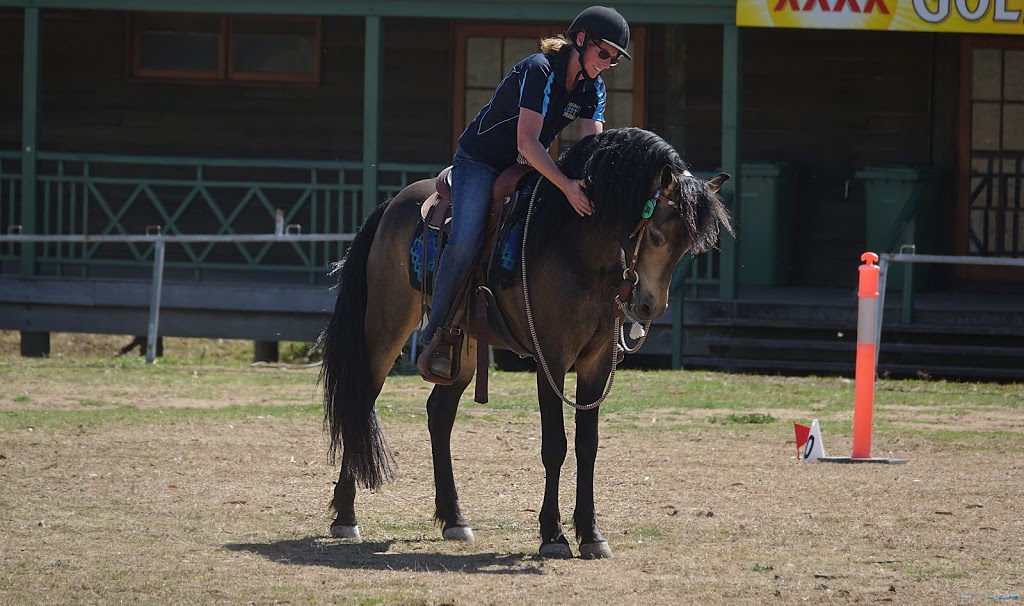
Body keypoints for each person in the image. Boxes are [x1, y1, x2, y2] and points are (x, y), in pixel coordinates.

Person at [417, 6, 631, 383]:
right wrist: (566, 185)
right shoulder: (539, 70)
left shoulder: (593, 86)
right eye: (604, 53)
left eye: (614, 59)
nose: (608, 62)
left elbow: (592, 145)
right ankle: (436, 333)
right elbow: (528, 141)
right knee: (465, 240)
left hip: (525, 165)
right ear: (580, 40)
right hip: (481, 162)